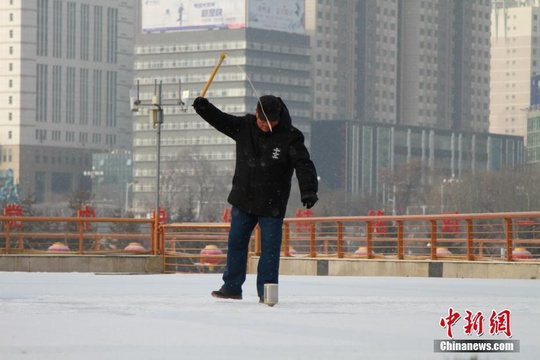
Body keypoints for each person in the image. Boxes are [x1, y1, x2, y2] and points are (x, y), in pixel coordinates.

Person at [192, 95, 319, 302]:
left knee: (270, 249)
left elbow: (303, 164)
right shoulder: (244, 126)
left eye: (270, 122)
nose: (264, 126)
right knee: (236, 243)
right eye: (261, 120)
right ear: (256, 113)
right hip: (243, 200)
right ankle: (232, 287)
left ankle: (267, 292)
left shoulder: (291, 136)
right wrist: (203, 108)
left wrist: (309, 190)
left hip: (272, 204)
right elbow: (221, 120)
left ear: (278, 118)